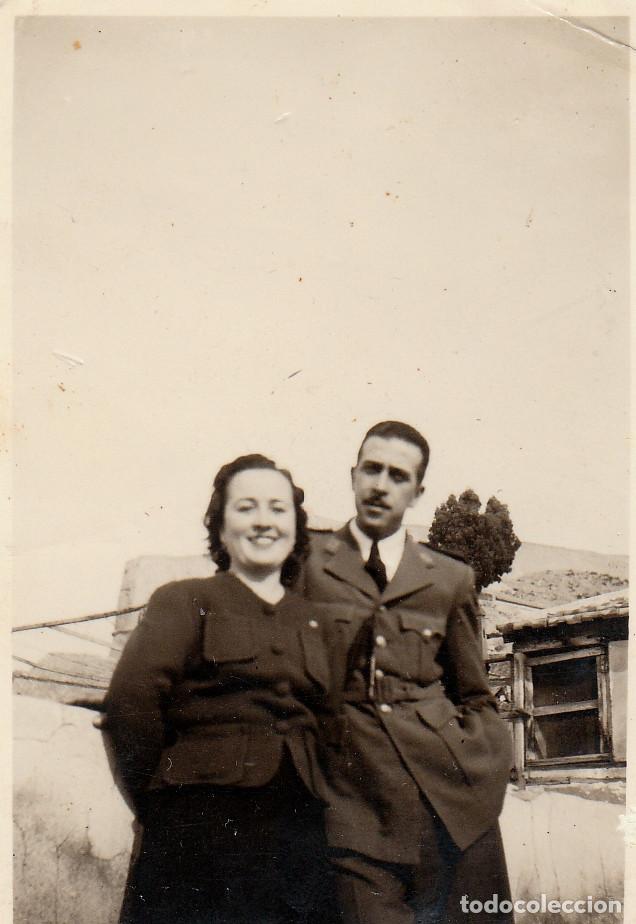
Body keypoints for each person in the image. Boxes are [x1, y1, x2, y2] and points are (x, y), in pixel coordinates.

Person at [104, 454, 336, 924]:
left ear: (296, 526)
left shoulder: (319, 621)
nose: (264, 521)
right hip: (199, 831)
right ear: (221, 526)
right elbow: (130, 704)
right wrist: (164, 804)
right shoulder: (184, 600)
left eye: (278, 508)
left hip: (301, 836)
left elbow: (335, 726)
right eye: (246, 507)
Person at [302, 421, 513, 924]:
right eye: (371, 469)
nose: (380, 485)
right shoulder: (307, 563)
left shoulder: (450, 578)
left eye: (398, 476)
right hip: (352, 803)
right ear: (353, 476)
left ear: (417, 492)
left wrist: (483, 768)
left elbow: (475, 694)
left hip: (450, 802)